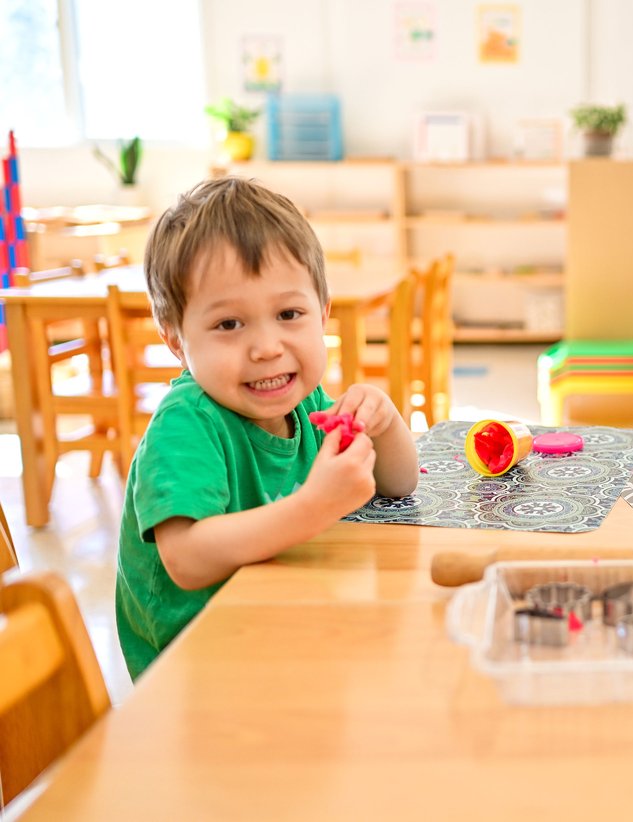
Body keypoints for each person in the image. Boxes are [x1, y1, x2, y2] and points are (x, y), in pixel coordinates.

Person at [116, 177, 419, 679]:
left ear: (322, 313)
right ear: (176, 340)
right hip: (200, 667)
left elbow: (399, 484)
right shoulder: (187, 424)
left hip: (279, 627)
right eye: (229, 325)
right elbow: (187, 559)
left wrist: (384, 424)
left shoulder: (306, 405)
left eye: (288, 314)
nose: (266, 348)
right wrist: (313, 507)